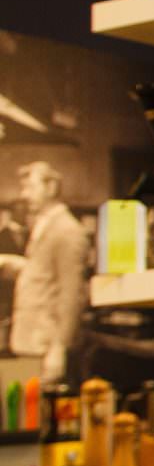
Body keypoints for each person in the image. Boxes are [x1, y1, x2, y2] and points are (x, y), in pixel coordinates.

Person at [0, 161, 89, 384]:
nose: (24, 194)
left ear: (50, 188)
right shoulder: (45, 226)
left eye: (30, 187)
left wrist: (59, 348)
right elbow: (46, 275)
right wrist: (20, 267)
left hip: (45, 344)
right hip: (31, 341)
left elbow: (71, 294)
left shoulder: (67, 231)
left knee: (40, 414)